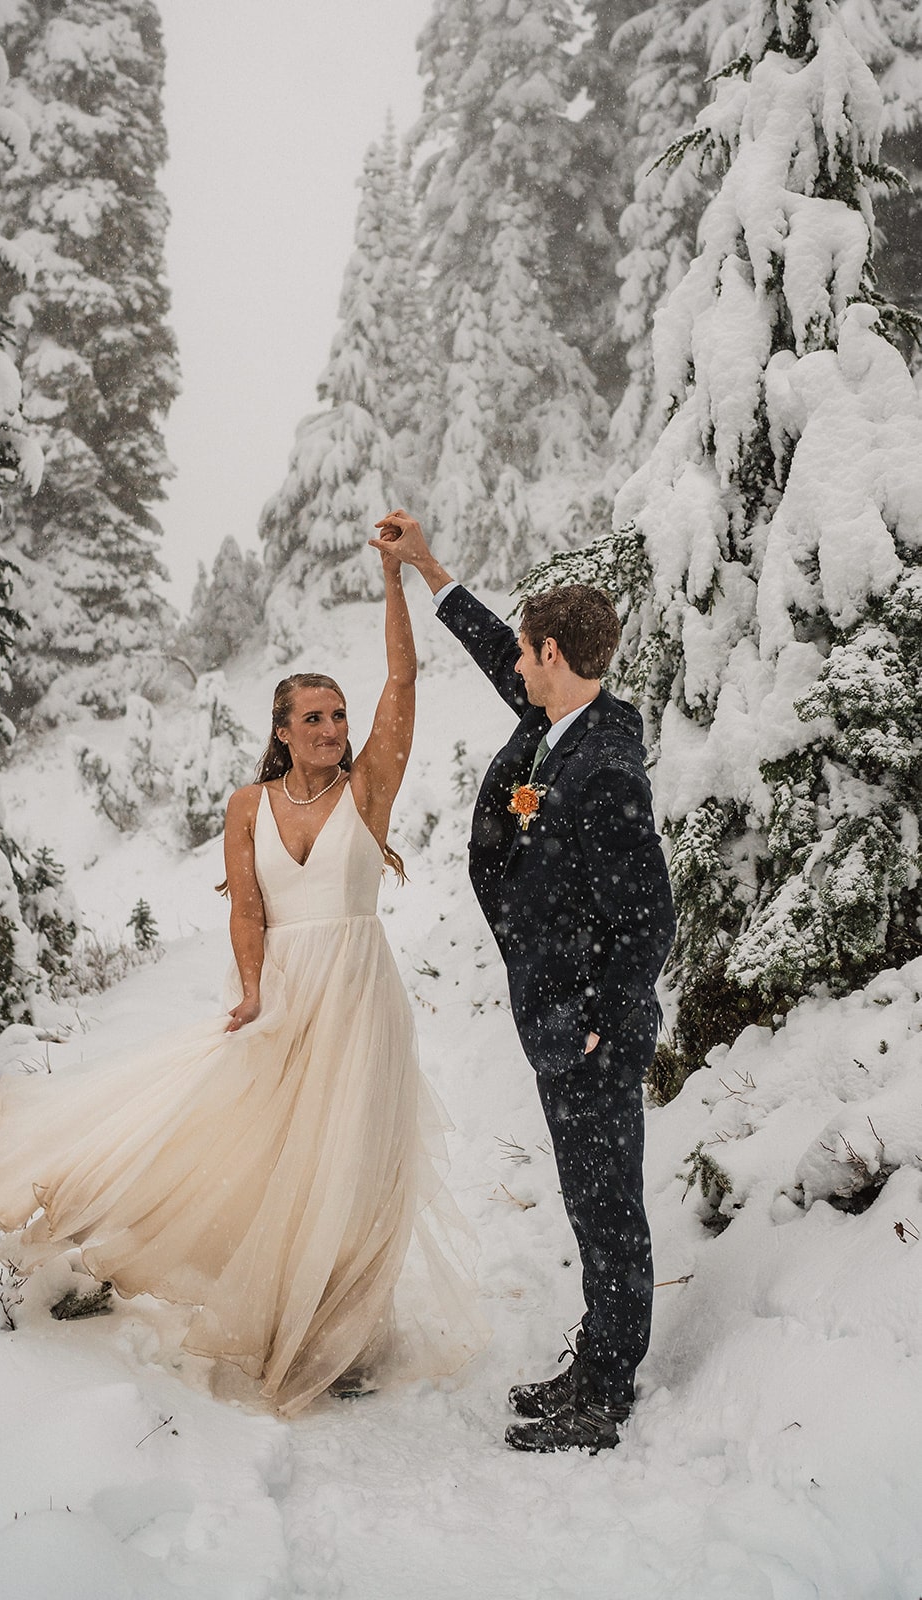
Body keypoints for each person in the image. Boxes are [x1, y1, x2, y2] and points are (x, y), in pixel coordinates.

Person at [0, 537, 482, 1417]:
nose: (331, 730)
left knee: (355, 1161)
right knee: (273, 1156)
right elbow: (247, 907)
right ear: (280, 731)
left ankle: (348, 1335)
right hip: (285, 992)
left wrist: (396, 581)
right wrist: (251, 989)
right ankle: (275, 1308)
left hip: (360, 994)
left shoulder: (368, 791)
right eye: (312, 719)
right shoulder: (249, 806)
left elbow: (406, 684)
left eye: (337, 717)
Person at [370, 510, 676, 1454]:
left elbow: (649, 920)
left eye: (528, 656)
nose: (518, 669)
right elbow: (495, 647)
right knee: (589, 1200)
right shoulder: (565, 718)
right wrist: (428, 570)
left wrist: (597, 1021)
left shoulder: (605, 769)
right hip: (557, 1019)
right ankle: (595, 1361)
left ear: (557, 654)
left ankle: (608, 1390)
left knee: (607, 1204)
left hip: (587, 1033)